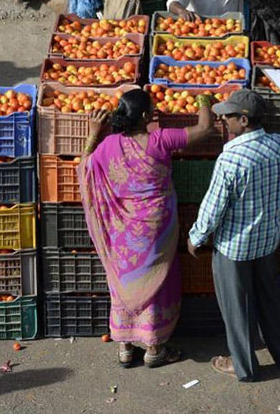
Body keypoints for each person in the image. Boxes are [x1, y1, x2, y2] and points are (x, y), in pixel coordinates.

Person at [78, 89, 216, 368]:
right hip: (156, 229)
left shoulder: (108, 145)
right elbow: (206, 128)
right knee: (157, 280)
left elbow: (85, 167)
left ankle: (125, 348)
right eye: (151, 108)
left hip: (122, 231)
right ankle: (154, 349)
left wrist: (94, 132)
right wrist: (203, 100)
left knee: (124, 280)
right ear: (143, 116)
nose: (155, 111)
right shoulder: (160, 140)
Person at [187, 89, 280, 382]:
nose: (222, 119)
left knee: (237, 308)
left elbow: (214, 206)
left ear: (244, 120)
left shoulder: (231, 158)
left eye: (228, 116)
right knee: (269, 299)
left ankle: (243, 365)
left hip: (234, 247)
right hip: (267, 240)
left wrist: (197, 236)